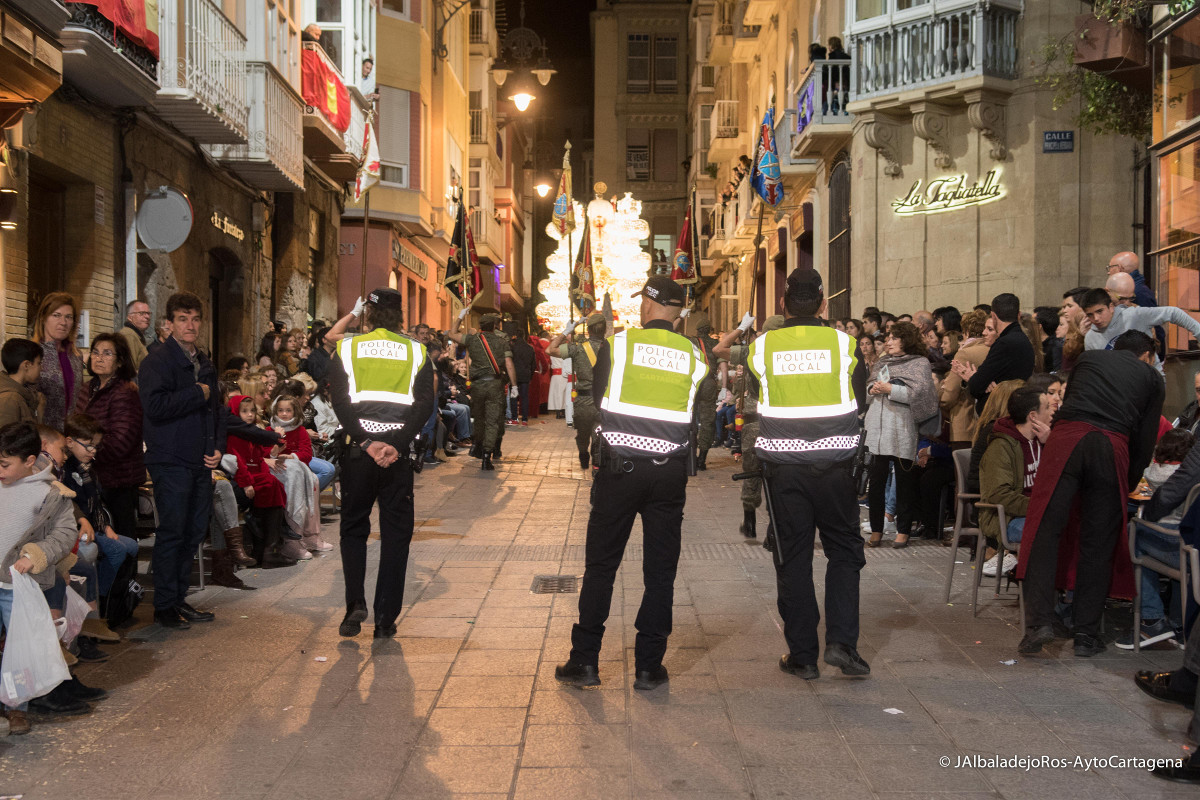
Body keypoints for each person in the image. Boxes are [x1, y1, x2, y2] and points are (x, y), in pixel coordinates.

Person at [555, 276, 705, 691]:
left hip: (619, 469)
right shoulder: (695, 355)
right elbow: (690, 412)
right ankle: (648, 666)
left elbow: (600, 399)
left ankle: (584, 661)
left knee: (601, 566)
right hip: (669, 471)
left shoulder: (619, 345)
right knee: (660, 571)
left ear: (649, 305)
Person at [743, 268, 870, 680]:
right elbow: (858, 392)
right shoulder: (845, 343)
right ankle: (842, 644)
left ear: (783, 303)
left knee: (792, 558)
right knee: (845, 552)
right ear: (823, 303)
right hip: (836, 468)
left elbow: (759, 394)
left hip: (784, 469)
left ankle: (802, 656)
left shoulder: (762, 348)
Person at [1017, 331, 1164, 657]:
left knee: (1045, 531)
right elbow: (1145, 439)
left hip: (1067, 438)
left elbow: (1070, 406)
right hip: (1112, 444)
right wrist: (1125, 480)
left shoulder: (1088, 359)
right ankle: (1086, 635)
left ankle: (1039, 623)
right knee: (1098, 542)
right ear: (1147, 355)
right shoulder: (1152, 377)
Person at [326, 288, 435, 639]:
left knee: (353, 529)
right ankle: (385, 616)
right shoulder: (417, 351)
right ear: (401, 316)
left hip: (359, 452)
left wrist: (367, 441)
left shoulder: (348, 348)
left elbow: (340, 403)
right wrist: (395, 444)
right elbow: (424, 405)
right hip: (396, 455)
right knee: (396, 534)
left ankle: (354, 605)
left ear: (369, 315)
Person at [138, 292, 226, 630]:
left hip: (201, 460)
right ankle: (163, 607)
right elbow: (155, 408)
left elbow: (218, 410)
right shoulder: (156, 361)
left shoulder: (204, 361)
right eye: (182, 319)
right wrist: (196, 393)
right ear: (169, 324)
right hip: (170, 459)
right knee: (172, 533)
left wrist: (218, 446)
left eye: (195, 319)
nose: (190, 325)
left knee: (192, 534)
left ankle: (177, 599)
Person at [0, 421, 81, 736]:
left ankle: (17, 707)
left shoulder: (52, 494)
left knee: (19, 649)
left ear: (30, 461)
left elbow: (65, 533)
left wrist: (34, 555)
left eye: (5, 464)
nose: (0, 469)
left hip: (17, 588)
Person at [864, 321, 938, 549]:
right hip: (877, 428)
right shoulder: (883, 361)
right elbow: (868, 388)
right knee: (875, 483)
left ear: (907, 339)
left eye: (895, 338)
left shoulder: (920, 363)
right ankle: (876, 529)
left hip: (901, 428)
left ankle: (903, 530)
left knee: (904, 481)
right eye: (889, 338)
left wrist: (891, 390)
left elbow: (923, 396)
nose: (889, 342)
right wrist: (873, 389)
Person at [715, 315, 784, 538]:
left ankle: (750, 521)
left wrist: (740, 328)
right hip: (781, 424)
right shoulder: (788, 354)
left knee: (751, 470)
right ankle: (775, 528)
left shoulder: (753, 352)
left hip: (755, 422)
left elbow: (719, 349)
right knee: (779, 475)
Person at [74, 334, 144, 546]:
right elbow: (76, 426)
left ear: (120, 361)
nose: (99, 358)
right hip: (90, 474)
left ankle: (127, 579)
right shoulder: (88, 387)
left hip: (118, 477)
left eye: (107, 353)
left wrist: (87, 452)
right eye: (95, 352)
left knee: (121, 535)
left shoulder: (126, 391)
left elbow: (121, 441)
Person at [978, 388, 1051, 577]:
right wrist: (1041, 507)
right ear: (1033, 416)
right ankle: (1035, 592)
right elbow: (999, 495)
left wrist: (1049, 444)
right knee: (1052, 529)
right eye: (1048, 407)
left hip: (1035, 512)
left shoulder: (1040, 440)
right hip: (1007, 519)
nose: (1053, 411)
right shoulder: (1002, 447)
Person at [448, 311, 517, 470]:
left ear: (480, 327)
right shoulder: (502, 342)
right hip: (495, 385)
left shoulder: (472, 339)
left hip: (477, 386)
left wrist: (459, 316)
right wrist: (514, 385)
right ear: (494, 326)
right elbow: (509, 364)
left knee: (479, 419)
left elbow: (452, 334)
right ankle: (487, 455)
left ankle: (477, 445)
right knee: (492, 421)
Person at [549, 313, 609, 470]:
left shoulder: (578, 348)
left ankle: (583, 452)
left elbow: (550, 349)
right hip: (604, 400)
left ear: (588, 330)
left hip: (583, 400)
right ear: (605, 329)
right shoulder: (611, 348)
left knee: (582, 434)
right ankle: (597, 465)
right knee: (600, 436)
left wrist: (569, 330)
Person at [961, 293, 1034, 413]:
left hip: (1000, 413)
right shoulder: (1022, 338)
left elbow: (976, 386)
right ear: (1018, 315)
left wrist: (974, 378)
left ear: (993, 316)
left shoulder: (1004, 343)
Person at [1081, 287, 1200, 351]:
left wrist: (1198, 332)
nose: (1096, 318)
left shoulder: (1133, 315)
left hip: (1149, 382)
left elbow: (1173, 312)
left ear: (1111, 307)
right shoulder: (1090, 338)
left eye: (1099, 311)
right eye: (1090, 315)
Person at [32, 292, 85, 432]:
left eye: (68, 317)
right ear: (43, 317)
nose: (63, 322)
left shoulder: (75, 356)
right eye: (56, 315)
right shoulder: (32, 353)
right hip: (42, 436)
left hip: (70, 436)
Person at [687, 311, 725, 470]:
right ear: (709, 330)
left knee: (690, 418)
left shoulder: (690, 342)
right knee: (708, 420)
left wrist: (680, 317)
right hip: (709, 383)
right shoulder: (716, 345)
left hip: (693, 382)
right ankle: (702, 458)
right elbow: (723, 364)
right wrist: (724, 387)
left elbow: (671, 332)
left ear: (697, 330)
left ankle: (690, 457)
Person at [0, 338, 44, 427]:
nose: (41, 368)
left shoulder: (21, 394)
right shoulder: (10, 399)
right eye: (39, 363)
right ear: (26, 365)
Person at [507, 325, 535, 425]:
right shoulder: (529, 348)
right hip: (525, 375)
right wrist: (530, 375)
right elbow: (533, 364)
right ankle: (524, 419)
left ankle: (514, 418)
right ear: (524, 336)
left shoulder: (512, 348)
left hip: (514, 375)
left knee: (513, 396)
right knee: (524, 397)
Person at [116, 300, 152, 370]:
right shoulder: (128, 335)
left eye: (148, 313)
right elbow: (129, 370)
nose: (147, 317)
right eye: (142, 313)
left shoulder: (135, 335)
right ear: (130, 317)